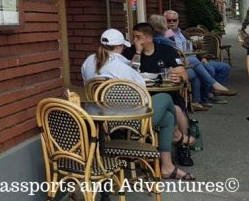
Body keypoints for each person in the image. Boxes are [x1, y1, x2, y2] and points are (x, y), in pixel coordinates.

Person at [81, 28, 195, 180]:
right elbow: (141, 93)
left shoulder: (88, 61)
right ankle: (177, 136)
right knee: (166, 97)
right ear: (120, 47)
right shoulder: (122, 67)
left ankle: (167, 166)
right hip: (126, 120)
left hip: (100, 119)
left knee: (168, 117)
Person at [124, 22, 196, 165]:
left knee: (176, 109)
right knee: (170, 112)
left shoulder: (166, 50)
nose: (135, 41)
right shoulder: (130, 52)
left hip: (167, 92)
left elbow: (183, 74)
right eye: (133, 37)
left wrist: (179, 77)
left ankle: (183, 145)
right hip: (142, 96)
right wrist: (137, 52)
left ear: (149, 38)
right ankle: (175, 140)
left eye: (138, 37)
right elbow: (127, 74)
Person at [163, 10, 235, 104]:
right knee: (210, 69)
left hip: (195, 59)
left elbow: (194, 48)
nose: (172, 22)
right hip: (183, 61)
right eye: (169, 20)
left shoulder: (183, 33)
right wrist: (167, 31)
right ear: (164, 21)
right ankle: (210, 94)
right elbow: (170, 51)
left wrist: (202, 58)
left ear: (178, 20)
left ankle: (211, 93)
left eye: (174, 20)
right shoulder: (166, 34)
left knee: (225, 67)